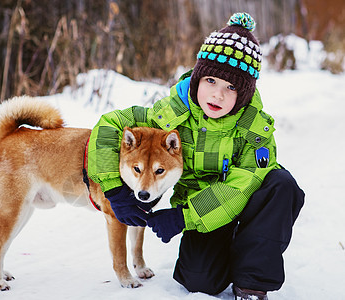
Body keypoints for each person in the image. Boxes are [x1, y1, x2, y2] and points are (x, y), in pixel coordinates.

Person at [87, 12, 304, 300]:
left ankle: (251, 282)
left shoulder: (256, 128)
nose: (218, 95)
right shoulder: (169, 116)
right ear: (197, 79)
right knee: (200, 281)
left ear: (245, 93)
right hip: (204, 213)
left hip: (236, 207)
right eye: (211, 81)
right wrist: (115, 190)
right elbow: (108, 124)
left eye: (232, 87)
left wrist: (182, 216)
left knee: (281, 184)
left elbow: (248, 180)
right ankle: (229, 248)